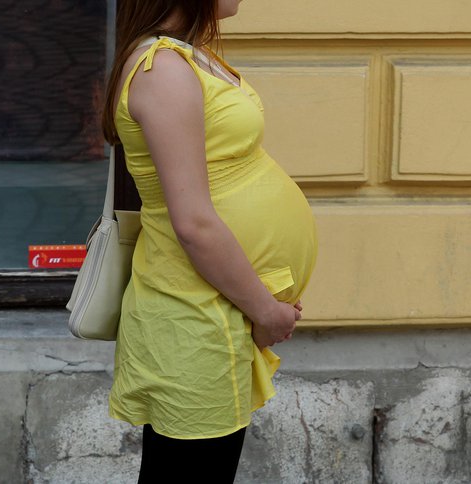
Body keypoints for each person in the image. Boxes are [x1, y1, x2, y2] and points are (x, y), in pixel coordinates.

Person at [101, 0, 318, 481]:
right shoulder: (162, 72)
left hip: (214, 309)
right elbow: (194, 223)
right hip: (194, 316)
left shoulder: (187, 56)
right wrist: (266, 311)